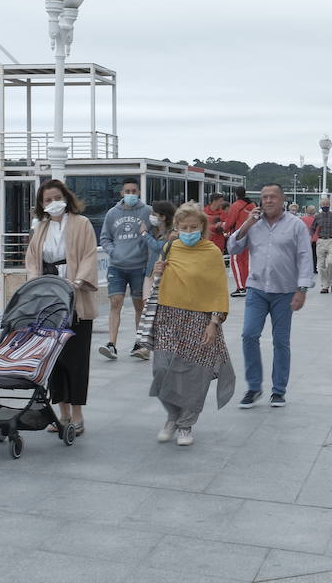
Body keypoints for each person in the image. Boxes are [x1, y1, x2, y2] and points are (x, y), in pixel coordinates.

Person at [148, 203, 235, 445]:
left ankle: (186, 424)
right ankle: (173, 416)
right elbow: (161, 280)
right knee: (162, 370)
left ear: (202, 227)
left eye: (193, 227)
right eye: (183, 227)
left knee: (193, 375)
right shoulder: (170, 247)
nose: (188, 231)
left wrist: (214, 322)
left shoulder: (212, 252)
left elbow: (219, 289)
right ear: (176, 227)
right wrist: (158, 271)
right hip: (168, 315)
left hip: (200, 319)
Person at [228, 183, 313, 408]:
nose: (268, 200)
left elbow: (305, 257)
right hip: (257, 289)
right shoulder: (253, 224)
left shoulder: (296, 225)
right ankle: (254, 387)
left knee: (281, 341)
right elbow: (233, 248)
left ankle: (279, 390)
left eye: (273, 197)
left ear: (282, 199)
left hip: (285, 292)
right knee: (249, 335)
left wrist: (301, 290)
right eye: (264, 197)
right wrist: (246, 224)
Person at [25, 179, 98, 435]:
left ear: (65, 198)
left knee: (76, 359)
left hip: (75, 295)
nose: (53, 203)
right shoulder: (41, 228)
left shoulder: (82, 224)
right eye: (47, 199)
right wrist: (37, 285)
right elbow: (32, 261)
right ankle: (63, 413)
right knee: (54, 358)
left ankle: (77, 415)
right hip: (49, 297)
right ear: (41, 205)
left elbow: (90, 255)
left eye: (56, 197)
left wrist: (78, 281)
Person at [100, 178, 150, 359]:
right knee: (115, 302)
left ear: (138, 192)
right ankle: (112, 344)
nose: (130, 194)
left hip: (139, 266)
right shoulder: (113, 213)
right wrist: (114, 252)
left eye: (134, 191)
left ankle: (140, 344)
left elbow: (156, 233)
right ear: (121, 193)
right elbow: (105, 238)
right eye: (127, 191)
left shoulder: (147, 211)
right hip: (117, 266)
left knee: (139, 305)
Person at [132, 200, 177, 361]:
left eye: (154, 214)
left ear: (163, 217)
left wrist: (144, 234)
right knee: (147, 308)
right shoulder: (154, 230)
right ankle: (147, 346)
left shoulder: (171, 234)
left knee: (157, 311)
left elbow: (159, 247)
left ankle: (152, 347)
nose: (151, 217)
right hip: (149, 273)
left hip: (162, 275)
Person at [222, 187, 256, 297]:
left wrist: (224, 228)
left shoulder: (236, 205)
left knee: (235, 261)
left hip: (238, 236)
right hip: (250, 235)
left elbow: (230, 221)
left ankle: (241, 287)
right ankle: (246, 285)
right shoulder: (252, 205)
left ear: (236, 194)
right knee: (245, 262)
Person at [311, 195, 332, 294]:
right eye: (323, 204)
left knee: (331, 262)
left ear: (329, 205)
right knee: (321, 265)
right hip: (321, 241)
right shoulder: (317, 216)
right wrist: (309, 237)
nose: (325, 205)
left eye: (327, 204)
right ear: (320, 205)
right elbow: (312, 228)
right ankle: (324, 285)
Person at [301, 205, 317, 274]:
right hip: (315, 238)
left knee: (306, 254)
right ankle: (314, 268)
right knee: (314, 254)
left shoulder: (303, 219)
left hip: (305, 238)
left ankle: (306, 267)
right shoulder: (316, 219)